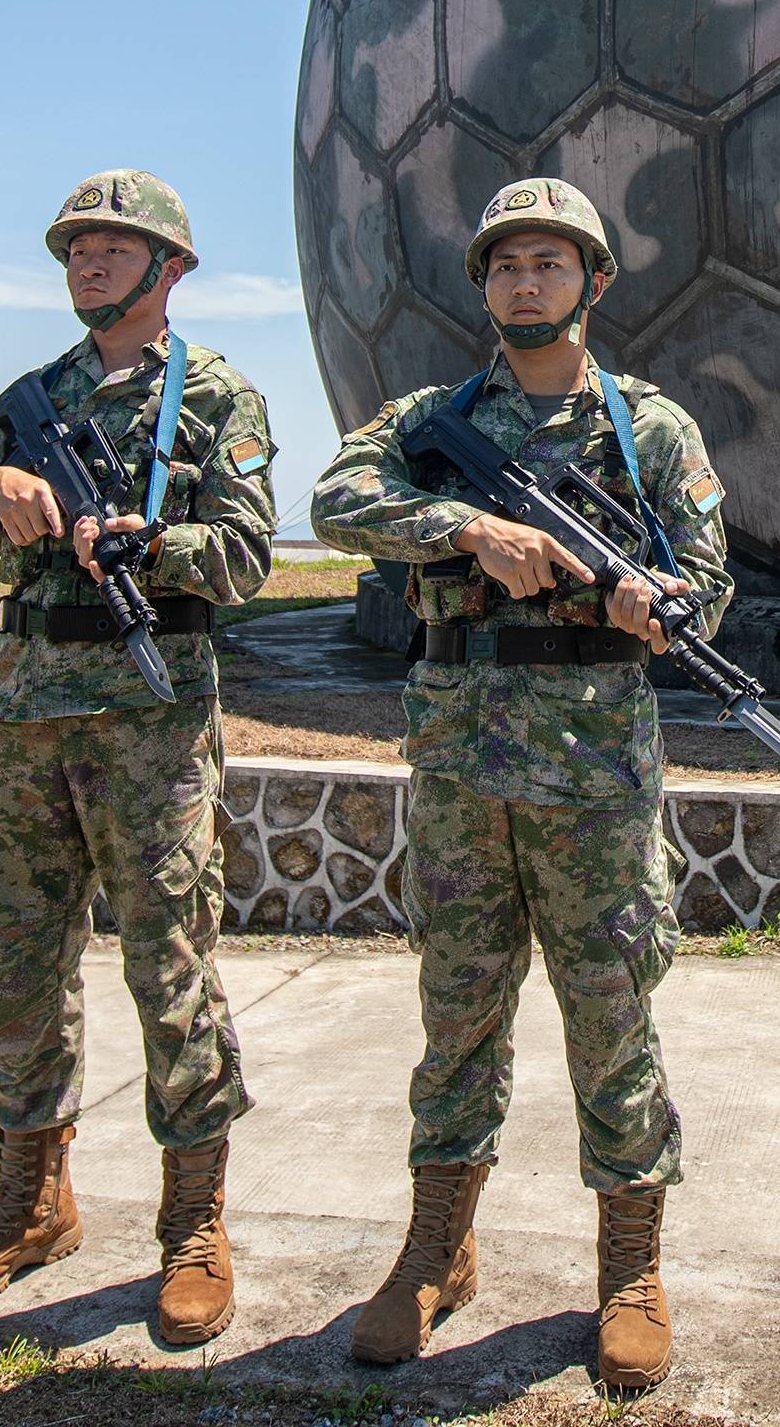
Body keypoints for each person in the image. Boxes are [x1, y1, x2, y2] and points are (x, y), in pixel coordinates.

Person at [308, 176, 732, 1396]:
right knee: (459, 1012)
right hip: (458, 764)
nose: (528, 282)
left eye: (552, 262)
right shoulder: (434, 416)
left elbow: (710, 578)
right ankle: (437, 1250)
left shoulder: (647, 429)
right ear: (484, 286)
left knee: (612, 1012)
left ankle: (631, 1268)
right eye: (507, 265)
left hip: (596, 767)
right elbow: (337, 499)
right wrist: (463, 528)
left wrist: (658, 603)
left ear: (594, 282)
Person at [0, 169, 276, 1342]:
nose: (90, 265)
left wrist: (151, 541)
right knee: (14, 960)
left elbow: (248, 556)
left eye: (116, 248)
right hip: (26, 710)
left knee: (170, 961)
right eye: (77, 250)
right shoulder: (34, 396)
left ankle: (194, 1222)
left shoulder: (214, 396)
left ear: (170, 268)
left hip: (151, 716)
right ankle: (31, 1199)